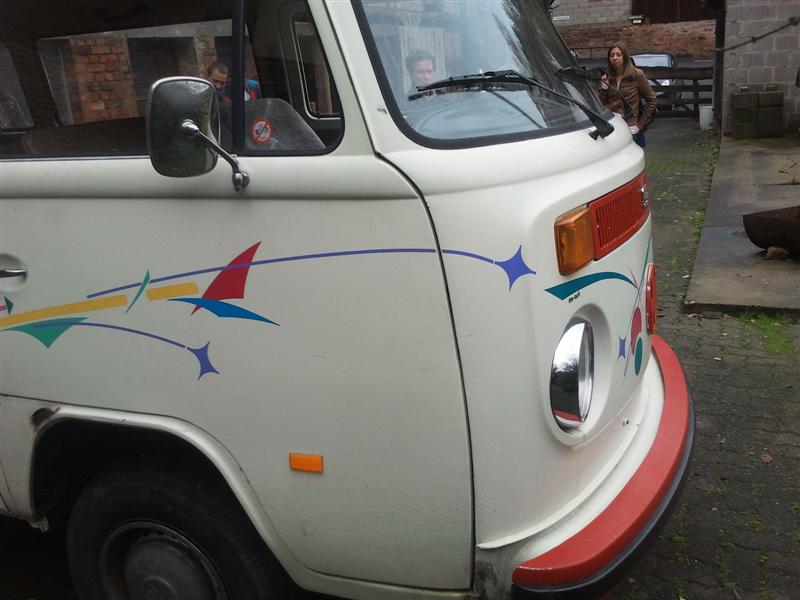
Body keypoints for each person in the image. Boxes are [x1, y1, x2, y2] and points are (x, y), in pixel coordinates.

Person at [597, 42, 656, 148]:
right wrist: (604, 88)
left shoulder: (637, 75)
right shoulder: (607, 77)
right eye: (612, 55)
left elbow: (652, 100)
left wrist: (641, 124)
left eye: (618, 55)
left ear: (625, 57)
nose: (615, 58)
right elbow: (600, 104)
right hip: (611, 127)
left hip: (630, 128)